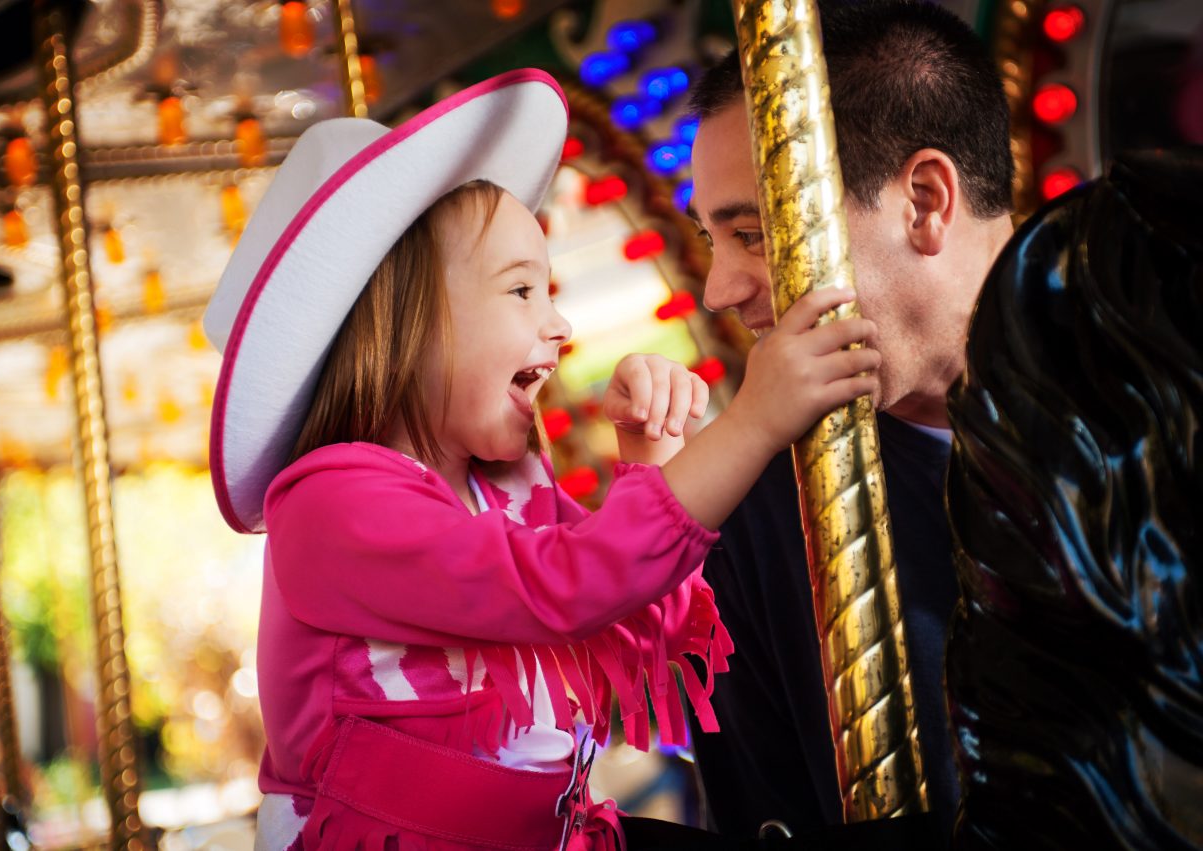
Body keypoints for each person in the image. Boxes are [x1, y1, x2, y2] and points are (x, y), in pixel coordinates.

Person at [203, 69, 880, 851]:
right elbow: (565, 584)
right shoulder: (329, 507)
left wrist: (649, 454)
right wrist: (755, 421)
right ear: (406, 321)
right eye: (522, 291)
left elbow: (640, 626)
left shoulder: (507, 490)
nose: (558, 324)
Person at [684, 0, 1016, 840]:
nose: (718, 290)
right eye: (710, 241)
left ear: (925, 201)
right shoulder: (760, 509)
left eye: (756, 235)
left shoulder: (1146, 393)